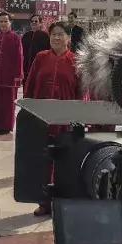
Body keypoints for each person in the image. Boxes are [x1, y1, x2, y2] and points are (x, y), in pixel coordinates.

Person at [24, 21, 82, 215]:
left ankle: (62, 203)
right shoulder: (40, 58)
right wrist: (29, 110)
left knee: (64, 163)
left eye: (60, 34)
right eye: (53, 34)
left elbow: (82, 92)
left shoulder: (76, 60)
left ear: (68, 38)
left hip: (66, 120)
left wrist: (78, 118)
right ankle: (44, 202)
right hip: (42, 118)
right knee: (43, 161)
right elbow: (30, 85)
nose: (56, 38)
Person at [21, 14, 51, 78]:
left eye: (36, 21)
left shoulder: (45, 36)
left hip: (40, 69)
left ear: (40, 23)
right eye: (32, 21)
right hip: (26, 68)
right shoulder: (26, 35)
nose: (33, 23)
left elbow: (49, 52)